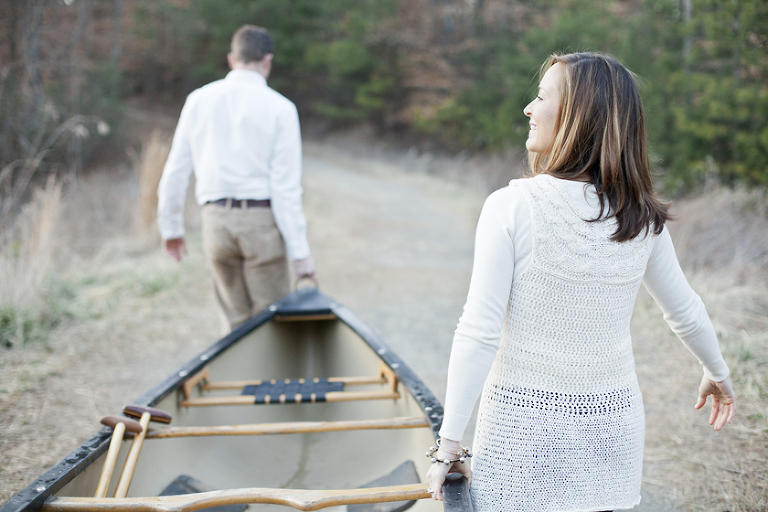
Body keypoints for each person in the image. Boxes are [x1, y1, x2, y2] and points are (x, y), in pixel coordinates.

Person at [425, 52, 736, 512]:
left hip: (522, 438)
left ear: (578, 115)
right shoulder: (639, 216)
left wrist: (448, 447)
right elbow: (684, 310)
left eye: (541, 97)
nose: (528, 108)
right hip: (612, 432)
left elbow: (479, 331)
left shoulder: (512, 206)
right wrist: (717, 372)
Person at [157, 25, 315, 332]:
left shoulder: (198, 100)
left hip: (215, 222)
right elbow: (285, 189)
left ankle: (237, 364)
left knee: (234, 326)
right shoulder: (281, 109)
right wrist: (301, 254)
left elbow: (175, 170)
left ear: (232, 59)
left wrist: (171, 228)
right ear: (267, 61)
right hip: (261, 224)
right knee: (273, 324)